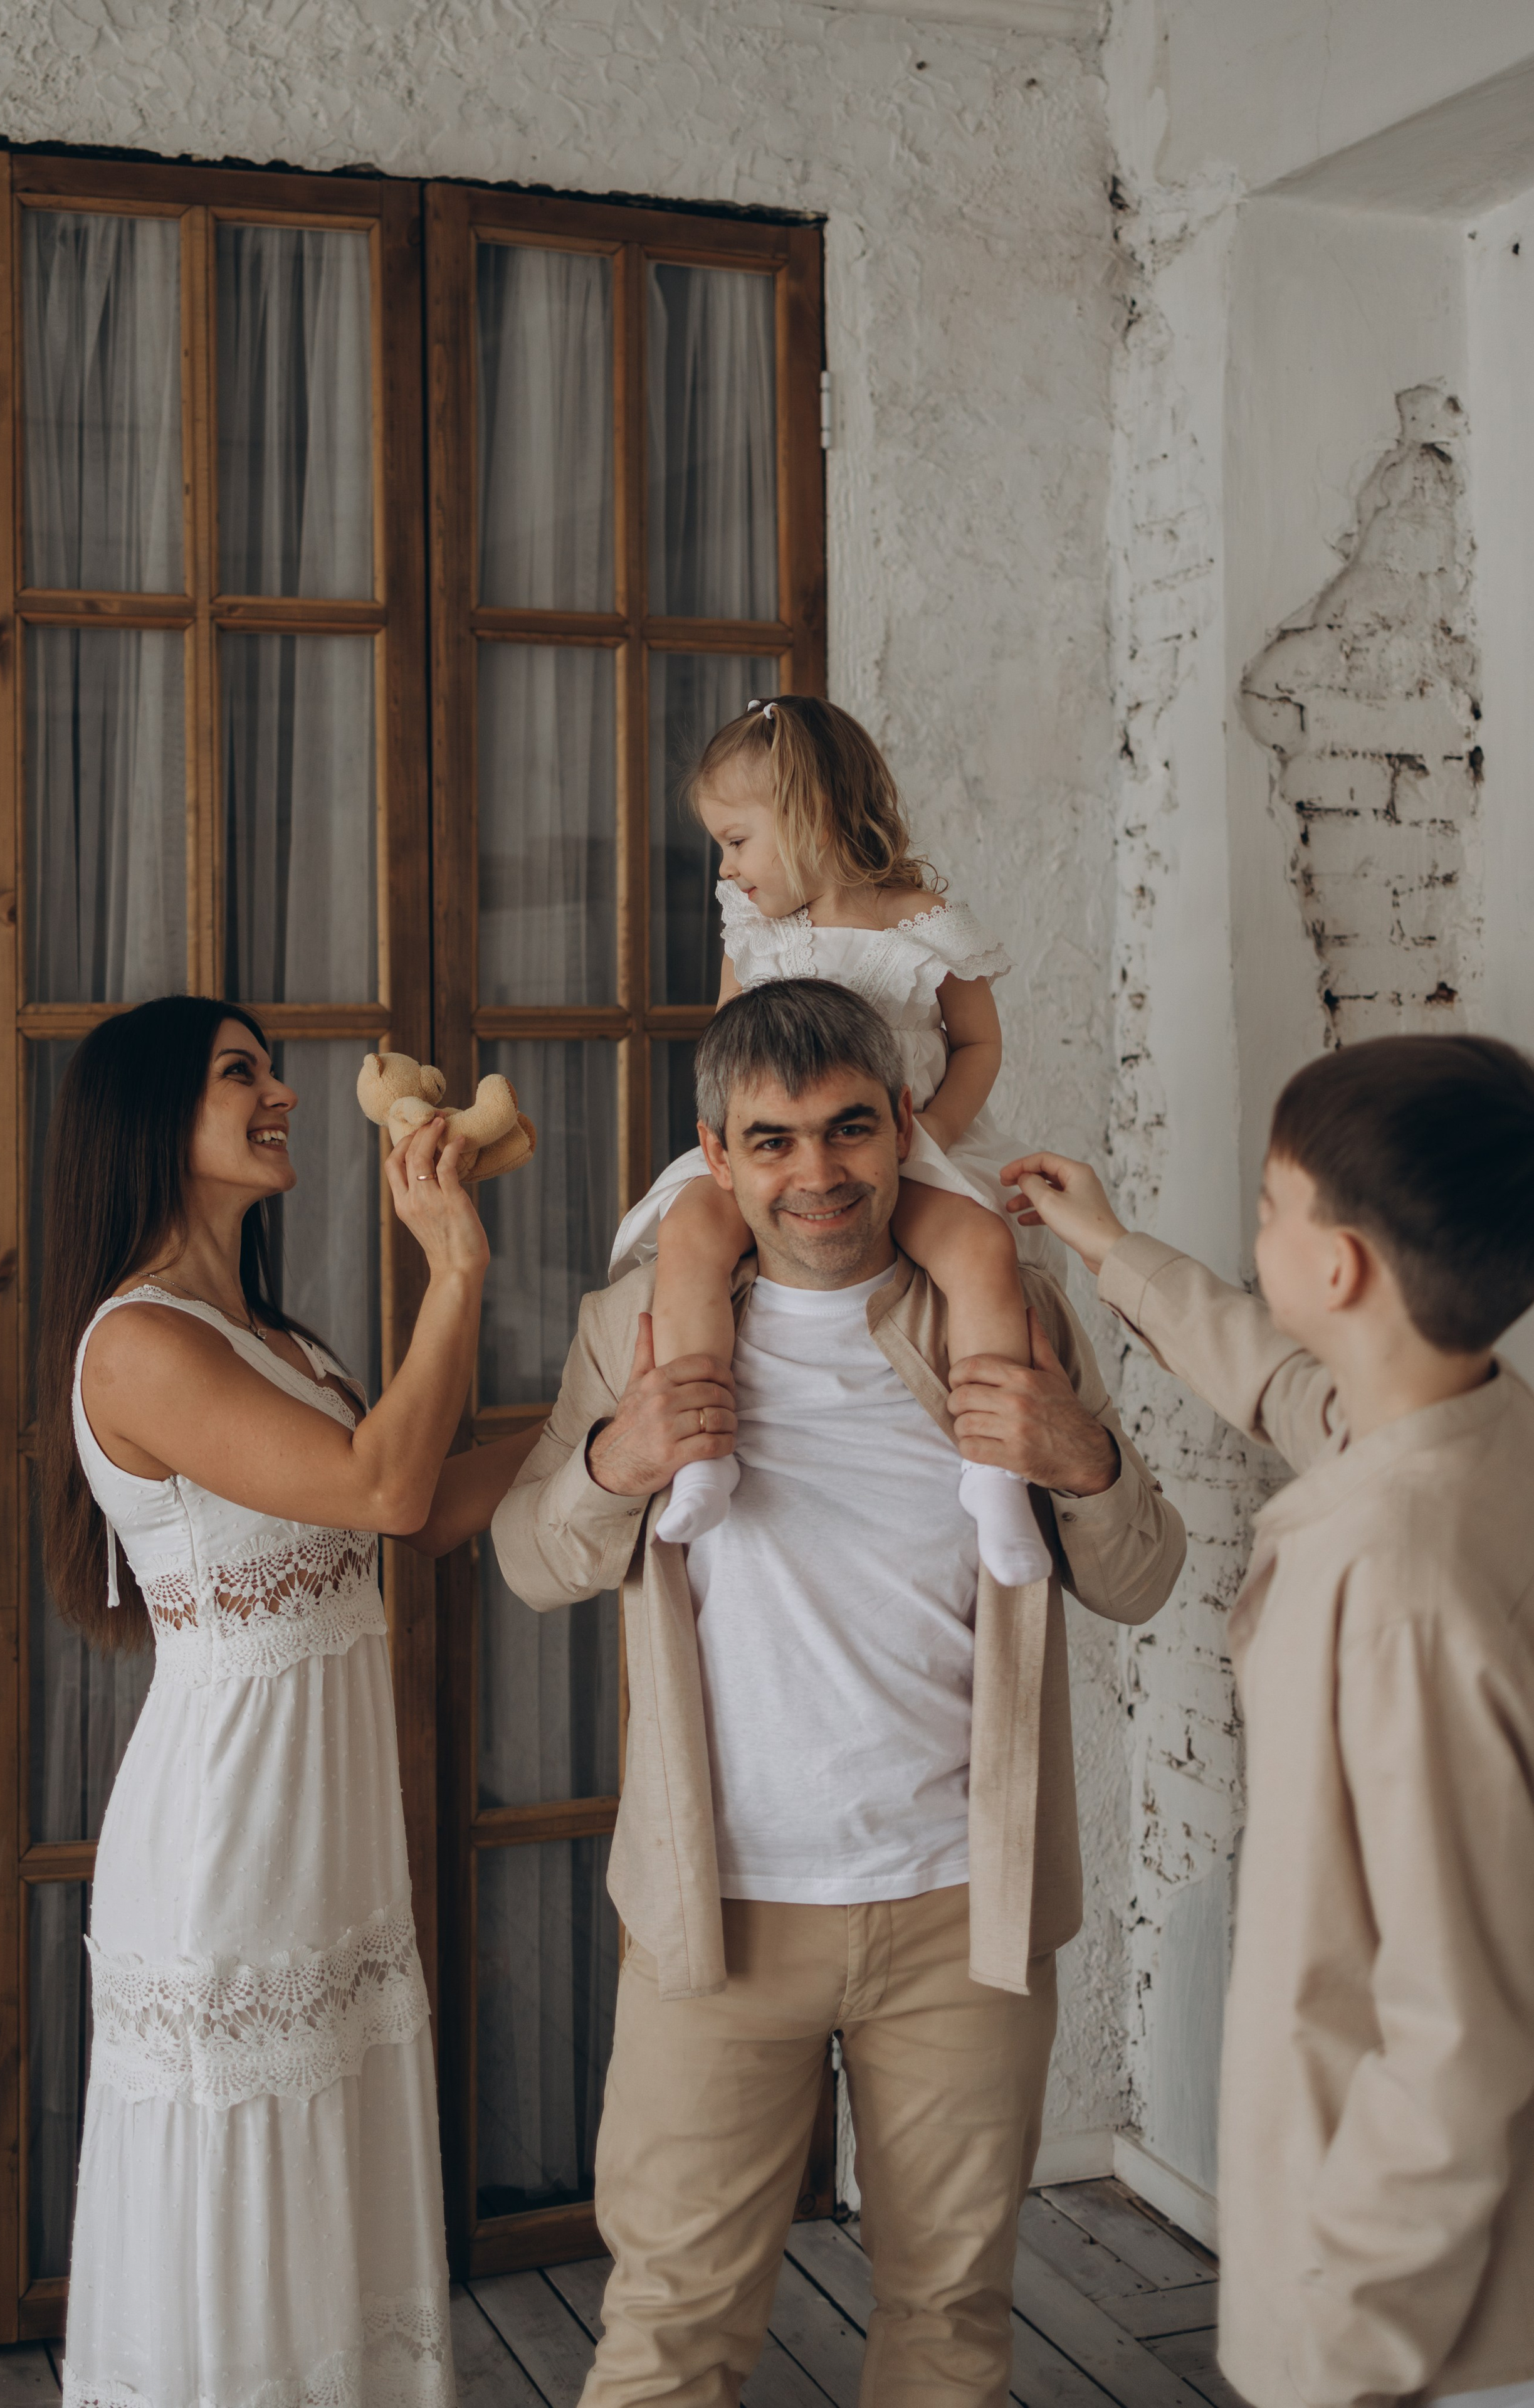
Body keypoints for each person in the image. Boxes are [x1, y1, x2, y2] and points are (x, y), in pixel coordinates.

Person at [493, 976, 1186, 2407]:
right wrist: (611, 1467)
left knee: (950, 2323)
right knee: (671, 2330)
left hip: (959, 1910)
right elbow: (528, 1561)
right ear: (717, 1152)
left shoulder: (1005, 1308)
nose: (817, 1174)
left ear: (902, 1126)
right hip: (714, 1915)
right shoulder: (639, 1318)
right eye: (774, 1141)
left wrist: (1088, 1467)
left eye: (849, 1130)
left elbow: (1138, 1581)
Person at [1001, 1033, 1534, 2408]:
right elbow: (1283, 1385)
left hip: (1418, 2311)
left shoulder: (1399, 1581)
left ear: (1339, 1265)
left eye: (1266, 1210)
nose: (1256, 1237)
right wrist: (1115, 1250)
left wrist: (1339, 2329)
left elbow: (1458, 2021)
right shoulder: (1476, 1426)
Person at [36, 996, 537, 2408]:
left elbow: (422, 1507)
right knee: (244, 2176)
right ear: (151, 1122)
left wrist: (610, 1424)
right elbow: (382, 1484)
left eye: (274, 1069)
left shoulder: (279, 1341)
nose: (287, 1095)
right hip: (226, 1838)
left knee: (336, 2161)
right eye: (238, 1075)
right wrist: (453, 1267)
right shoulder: (136, 1344)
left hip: (323, 1824)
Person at [612, 694, 1054, 1585]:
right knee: (693, 1233)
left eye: (738, 841)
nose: (728, 869)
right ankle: (702, 1449)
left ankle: (996, 1474)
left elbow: (978, 1043)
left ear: (808, 817)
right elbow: (731, 1056)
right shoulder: (754, 930)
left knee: (977, 1243)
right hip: (780, 1158)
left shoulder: (921, 923)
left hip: (907, 1144)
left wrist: (929, 1137)